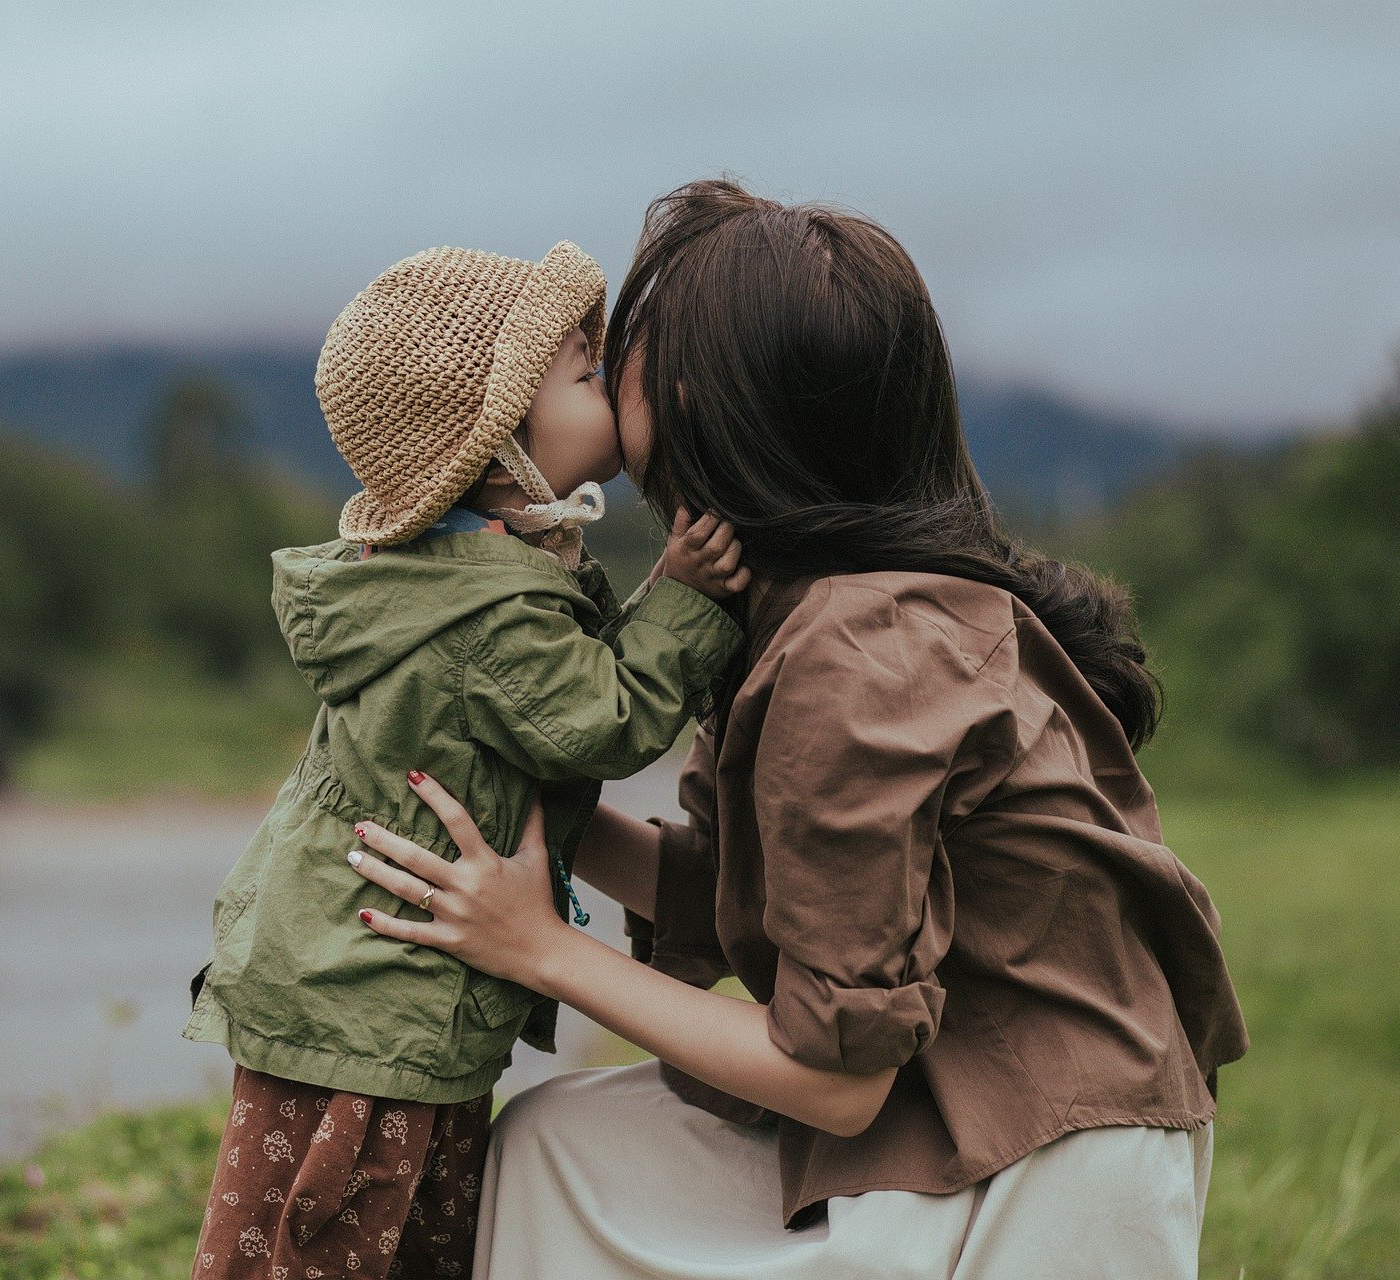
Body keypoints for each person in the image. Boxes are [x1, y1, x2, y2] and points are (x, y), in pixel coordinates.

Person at [344, 181, 1251, 1279]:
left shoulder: (856, 652)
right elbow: (742, 890)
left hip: (1043, 1162)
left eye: (613, 353)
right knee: (553, 1150)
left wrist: (539, 945)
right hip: (947, 1098)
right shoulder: (794, 607)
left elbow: (833, 1069)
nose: (596, 366)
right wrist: (511, 800)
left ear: (689, 399)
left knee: (566, 1158)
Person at [182, 240, 750, 1279]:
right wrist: (690, 602)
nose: (608, 378)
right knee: (344, 1236)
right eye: (586, 373)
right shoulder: (482, 608)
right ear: (499, 451)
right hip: (372, 1003)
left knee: (393, 1232)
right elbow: (602, 719)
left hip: (368, 988)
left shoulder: (470, 572)